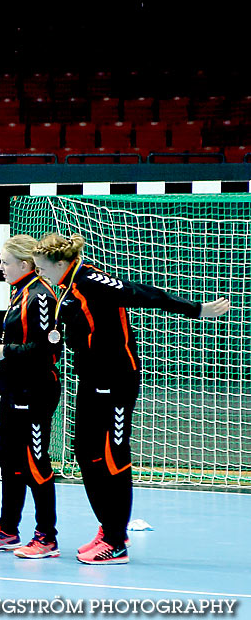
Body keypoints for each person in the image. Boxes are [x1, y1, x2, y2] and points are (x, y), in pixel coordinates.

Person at [31, 233, 231, 565]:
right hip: (91, 378)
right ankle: (110, 528)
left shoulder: (88, 278)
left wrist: (195, 310)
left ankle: (116, 542)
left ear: (61, 264)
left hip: (116, 379)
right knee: (84, 451)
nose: (39, 274)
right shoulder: (65, 286)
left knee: (112, 454)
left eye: (41, 268)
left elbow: (141, 293)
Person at [0, 234, 62, 559]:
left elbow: (48, 349)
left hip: (35, 391)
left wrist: (3, 351)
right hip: (13, 390)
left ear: (23, 265)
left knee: (35, 463)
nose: (0, 267)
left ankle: (46, 537)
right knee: (9, 461)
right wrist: (1, 351)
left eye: (5, 262)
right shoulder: (20, 294)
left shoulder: (40, 296)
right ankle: (8, 530)